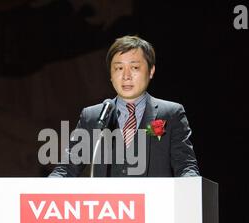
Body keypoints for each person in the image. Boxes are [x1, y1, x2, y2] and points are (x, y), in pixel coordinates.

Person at [49, 35, 199, 177]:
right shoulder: (93, 116)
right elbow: (67, 168)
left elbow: (186, 166)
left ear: (151, 71)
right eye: (119, 68)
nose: (126, 76)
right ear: (110, 74)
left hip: (154, 203)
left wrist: (191, 188)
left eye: (134, 68)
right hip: (109, 203)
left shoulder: (170, 113)